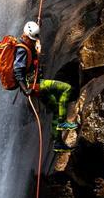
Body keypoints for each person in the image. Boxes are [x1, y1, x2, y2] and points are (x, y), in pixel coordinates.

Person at [13, 21, 77, 151]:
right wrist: (26, 90)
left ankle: (57, 140)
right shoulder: (21, 50)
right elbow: (17, 72)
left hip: (37, 83)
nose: (34, 41)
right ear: (26, 36)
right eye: (33, 39)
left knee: (55, 109)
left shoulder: (27, 44)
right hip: (35, 86)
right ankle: (61, 129)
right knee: (66, 88)